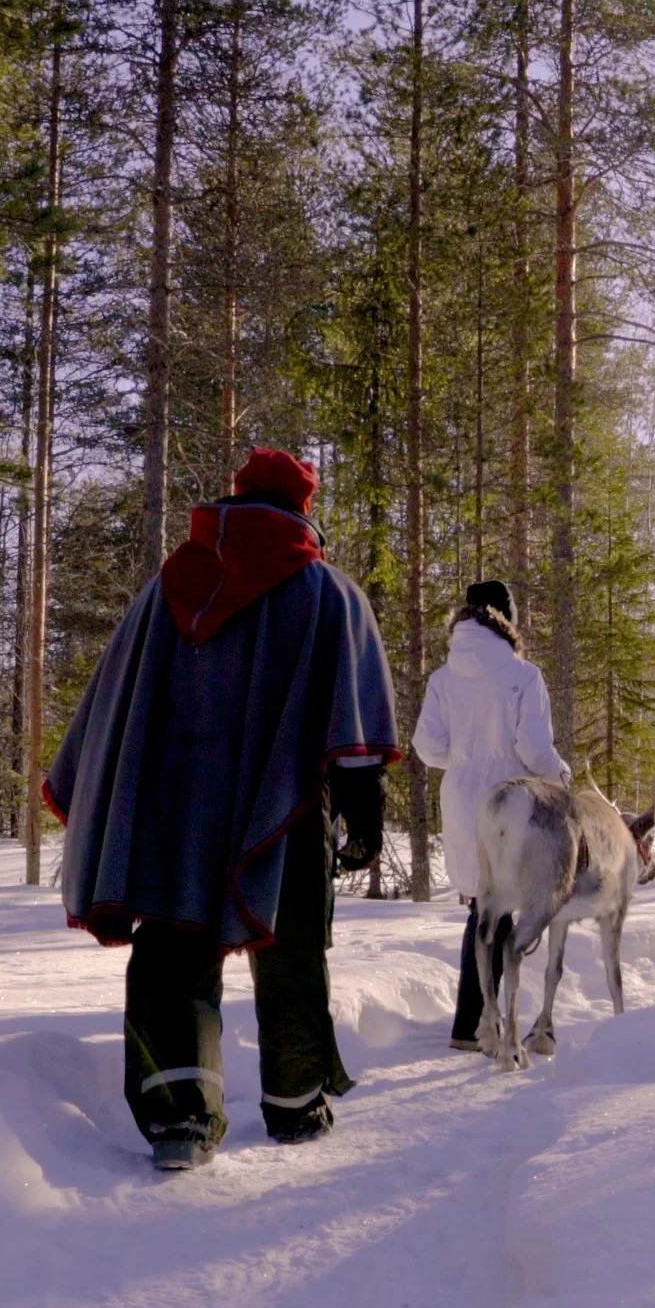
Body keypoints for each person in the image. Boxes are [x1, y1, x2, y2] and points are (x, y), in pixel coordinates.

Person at [46, 448, 402, 1172]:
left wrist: (109, 794)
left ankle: (179, 1119)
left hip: (172, 806)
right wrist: (364, 811)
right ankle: (296, 1106)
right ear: (303, 506)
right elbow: (356, 723)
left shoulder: (166, 589)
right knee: (291, 944)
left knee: (174, 942)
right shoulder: (326, 593)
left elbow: (113, 703)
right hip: (284, 810)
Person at [408, 580, 571, 1051]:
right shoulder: (522, 676)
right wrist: (561, 778)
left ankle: (470, 1022)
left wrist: (463, 760)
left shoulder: (443, 677)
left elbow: (426, 747)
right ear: (508, 619)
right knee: (506, 911)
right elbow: (533, 748)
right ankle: (490, 1020)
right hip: (513, 800)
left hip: (462, 799)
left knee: (484, 906)